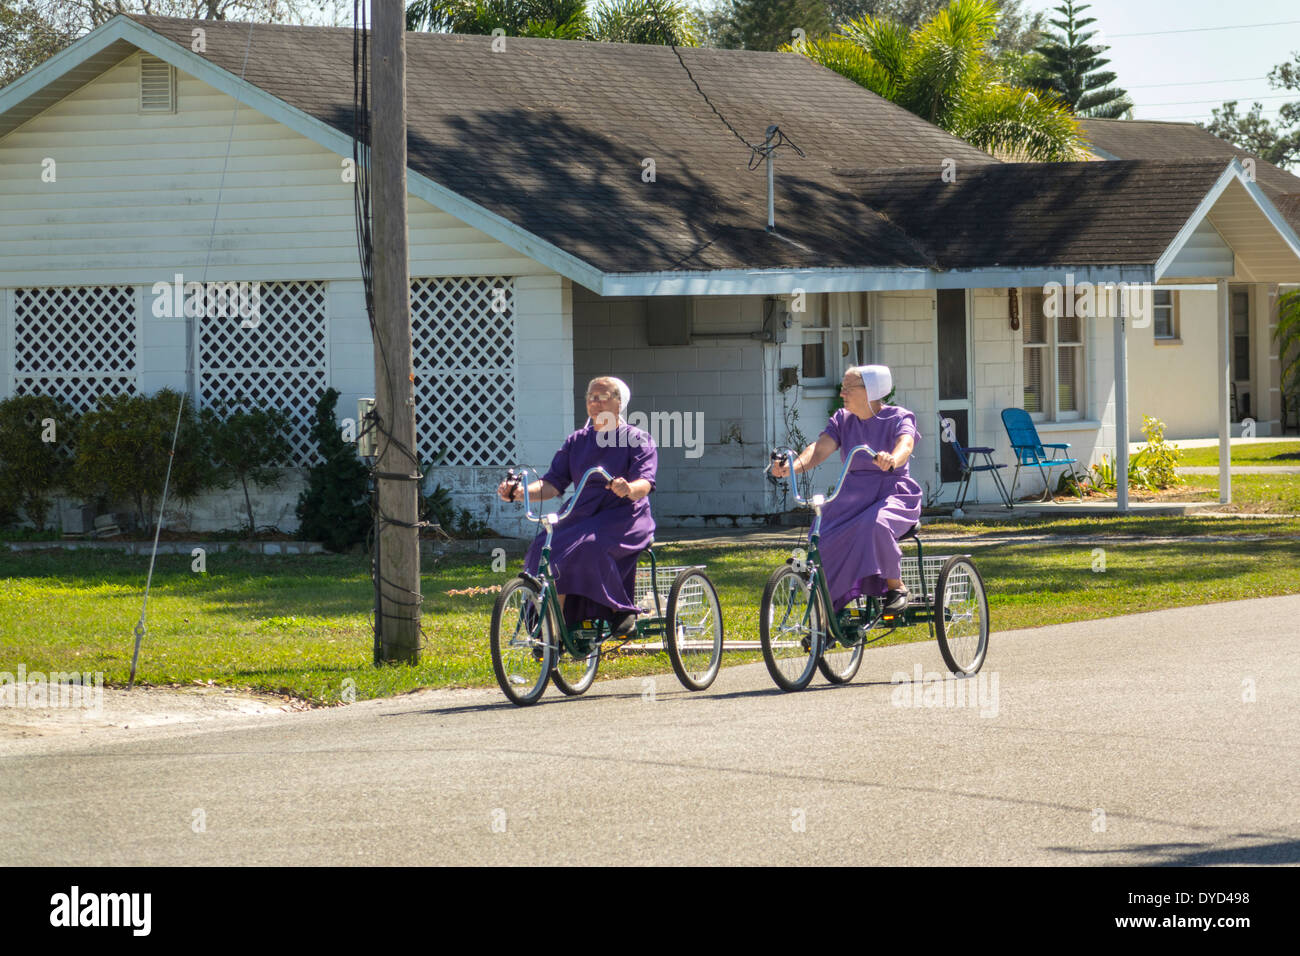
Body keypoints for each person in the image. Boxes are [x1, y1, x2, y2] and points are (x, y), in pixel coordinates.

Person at [497, 376, 656, 637]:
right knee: (542, 548)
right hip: (581, 513)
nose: (595, 402)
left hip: (625, 514)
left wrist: (628, 488)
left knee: (589, 546)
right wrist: (519, 493)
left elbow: (645, 482)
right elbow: (552, 484)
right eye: (591, 397)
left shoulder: (637, 439)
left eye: (602, 396)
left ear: (619, 403)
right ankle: (552, 633)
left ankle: (618, 609)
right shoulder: (577, 441)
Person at [770, 364, 922, 614]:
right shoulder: (843, 419)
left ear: (869, 391)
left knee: (877, 525)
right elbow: (818, 450)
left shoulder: (899, 416)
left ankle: (896, 587)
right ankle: (831, 615)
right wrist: (791, 467)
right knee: (821, 533)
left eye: (847, 388)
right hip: (853, 494)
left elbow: (905, 444)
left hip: (893, 491)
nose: (842, 394)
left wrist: (892, 459)